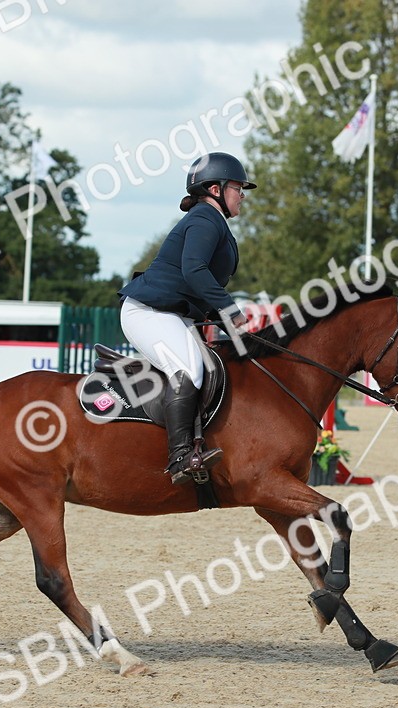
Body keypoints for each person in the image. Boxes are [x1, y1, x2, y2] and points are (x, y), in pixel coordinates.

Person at [118, 152, 252, 485]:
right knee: (189, 368)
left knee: (214, 367)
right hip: (149, 312)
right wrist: (230, 309)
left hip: (174, 315)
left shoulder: (214, 221)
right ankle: (179, 457)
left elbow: (198, 288)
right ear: (216, 189)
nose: (242, 195)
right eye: (238, 188)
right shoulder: (205, 218)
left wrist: (226, 322)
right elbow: (194, 271)